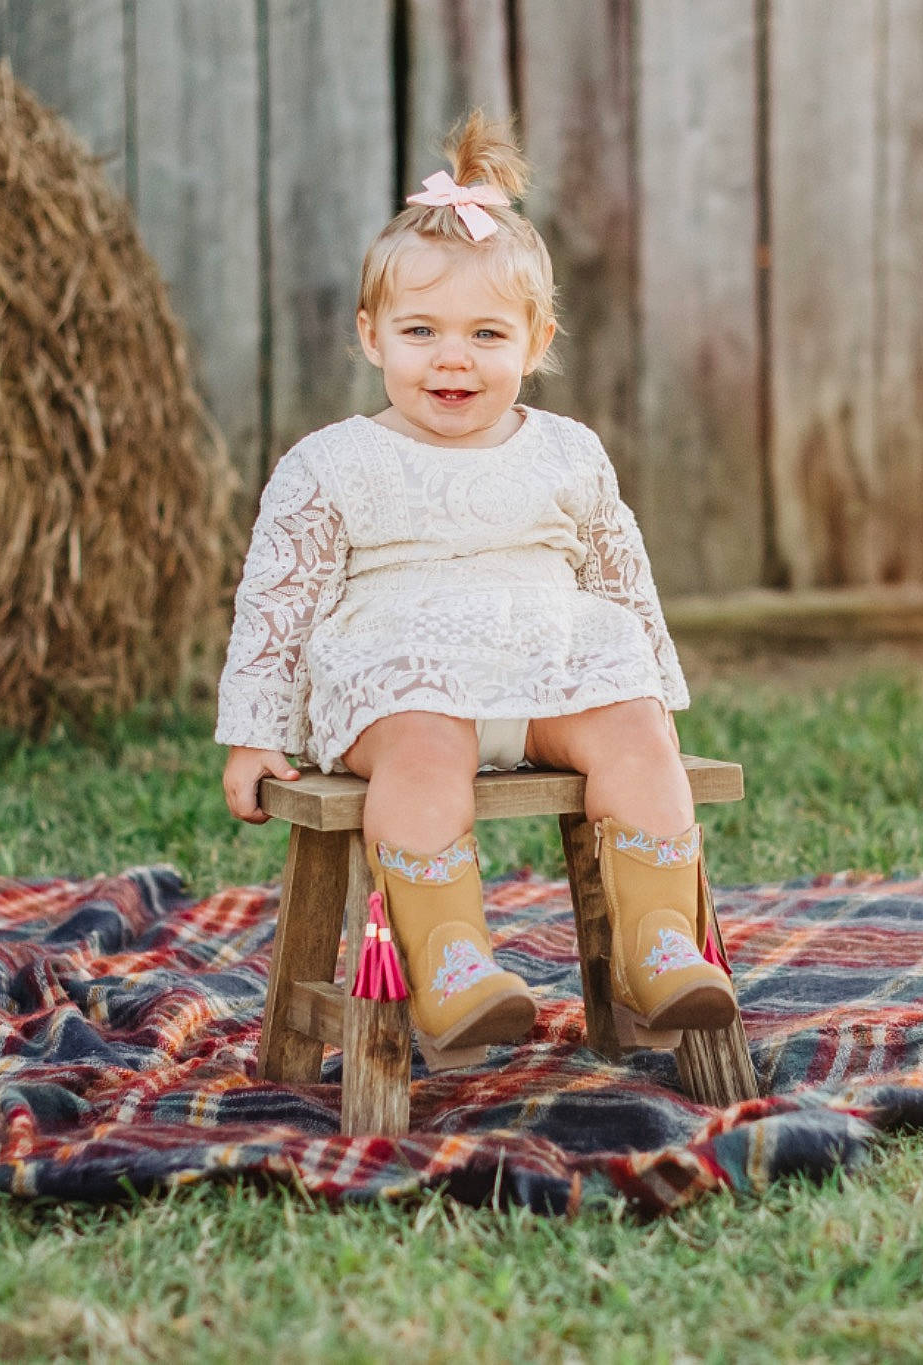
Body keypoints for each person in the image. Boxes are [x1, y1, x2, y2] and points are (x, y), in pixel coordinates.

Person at [216, 112, 734, 1071]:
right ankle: (451, 959)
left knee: (631, 728)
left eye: (486, 333)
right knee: (424, 744)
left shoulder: (567, 453)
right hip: (400, 683)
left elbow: (620, 573)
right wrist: (256, 728)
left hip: (545, 672)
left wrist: (654, 694)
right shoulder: (334, 464)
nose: (452, 357)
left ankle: (658, 945)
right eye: (421, 331)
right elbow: (278, 598)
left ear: (536, 340)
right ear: (372, 336)